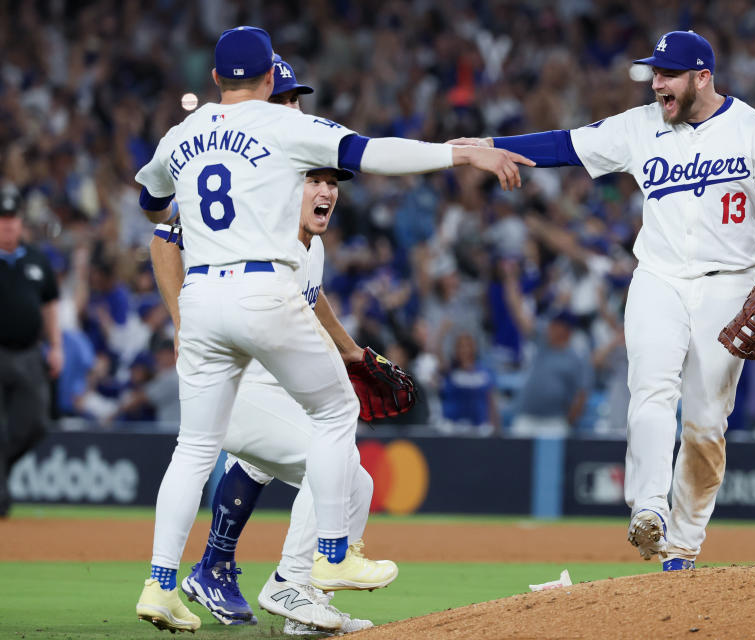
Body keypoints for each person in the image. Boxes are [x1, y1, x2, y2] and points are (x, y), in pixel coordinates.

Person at [134, 26, 533, 634]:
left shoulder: (183, 134)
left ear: (216, 80)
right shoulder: (283, 125)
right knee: (336, 413)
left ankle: (159, 585)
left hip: (204, 297)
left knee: (193, 449)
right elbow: (374, 152)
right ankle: (331, 557)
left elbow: (150, 197)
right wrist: (460, 150)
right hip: (261, 288)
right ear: (269, 79)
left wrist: (180, 210)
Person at [449, 30, 755, 571]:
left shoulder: (754, 130)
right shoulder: (640, 126)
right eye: (654, 73)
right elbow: (564, 146)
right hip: (658, 277)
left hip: (729, 283)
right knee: (651, 388)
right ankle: (649, 509)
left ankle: (684, 547)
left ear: (702, 77)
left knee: (707, 422)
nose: (657, 82)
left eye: (667, 74)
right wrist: (493, 148)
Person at [149, 57, 389, 635]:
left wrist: (352, 352)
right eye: (316, 179)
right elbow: (163, 235)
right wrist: (182, 321)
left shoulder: (310, 245)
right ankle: (285, 582)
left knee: (356, 479)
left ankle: (294, 598)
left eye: (331, 182)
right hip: (234, 387)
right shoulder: (261, 203)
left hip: (263, 389)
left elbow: (311, 300)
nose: (325, 189)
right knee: (326, 456)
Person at [0, 186, 62, 517]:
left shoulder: (37, 260)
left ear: (21, 222)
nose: (8, 225)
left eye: (12, 219)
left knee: (37, 423)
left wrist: (57, 346)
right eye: (3, 219)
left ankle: (2, 468)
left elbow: (51, 305)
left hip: (28, 352)